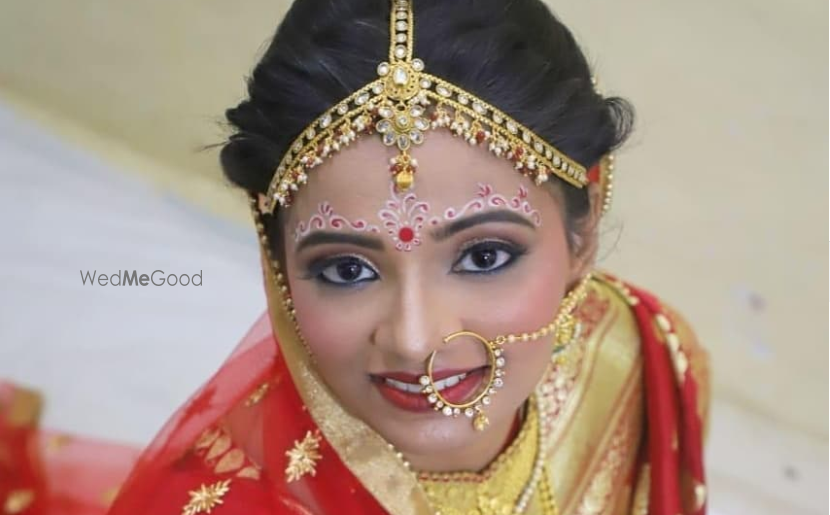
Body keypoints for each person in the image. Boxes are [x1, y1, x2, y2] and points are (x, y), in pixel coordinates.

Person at [7, 0, 709, 513]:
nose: (414, 339)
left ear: (582, 232)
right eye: (348, 269)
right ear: (278, 264)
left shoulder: (634, 358)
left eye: (485, 256)